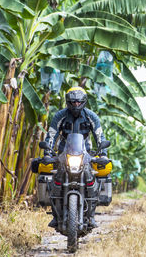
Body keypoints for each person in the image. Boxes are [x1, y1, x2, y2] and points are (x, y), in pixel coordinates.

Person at [44, 86, 107, 229]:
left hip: (85, 154)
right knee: (57, 180)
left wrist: (103, 154)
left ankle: (90, 216)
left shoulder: (91, 116)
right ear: (68, 102)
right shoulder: (60, 116)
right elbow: (51, 135)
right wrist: (47, 153)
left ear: (84, 102)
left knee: (90, 179)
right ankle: (56, 215)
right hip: (63, 154)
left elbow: (99, 135)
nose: (76, 105)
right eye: (73, 102)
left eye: (79, 102)